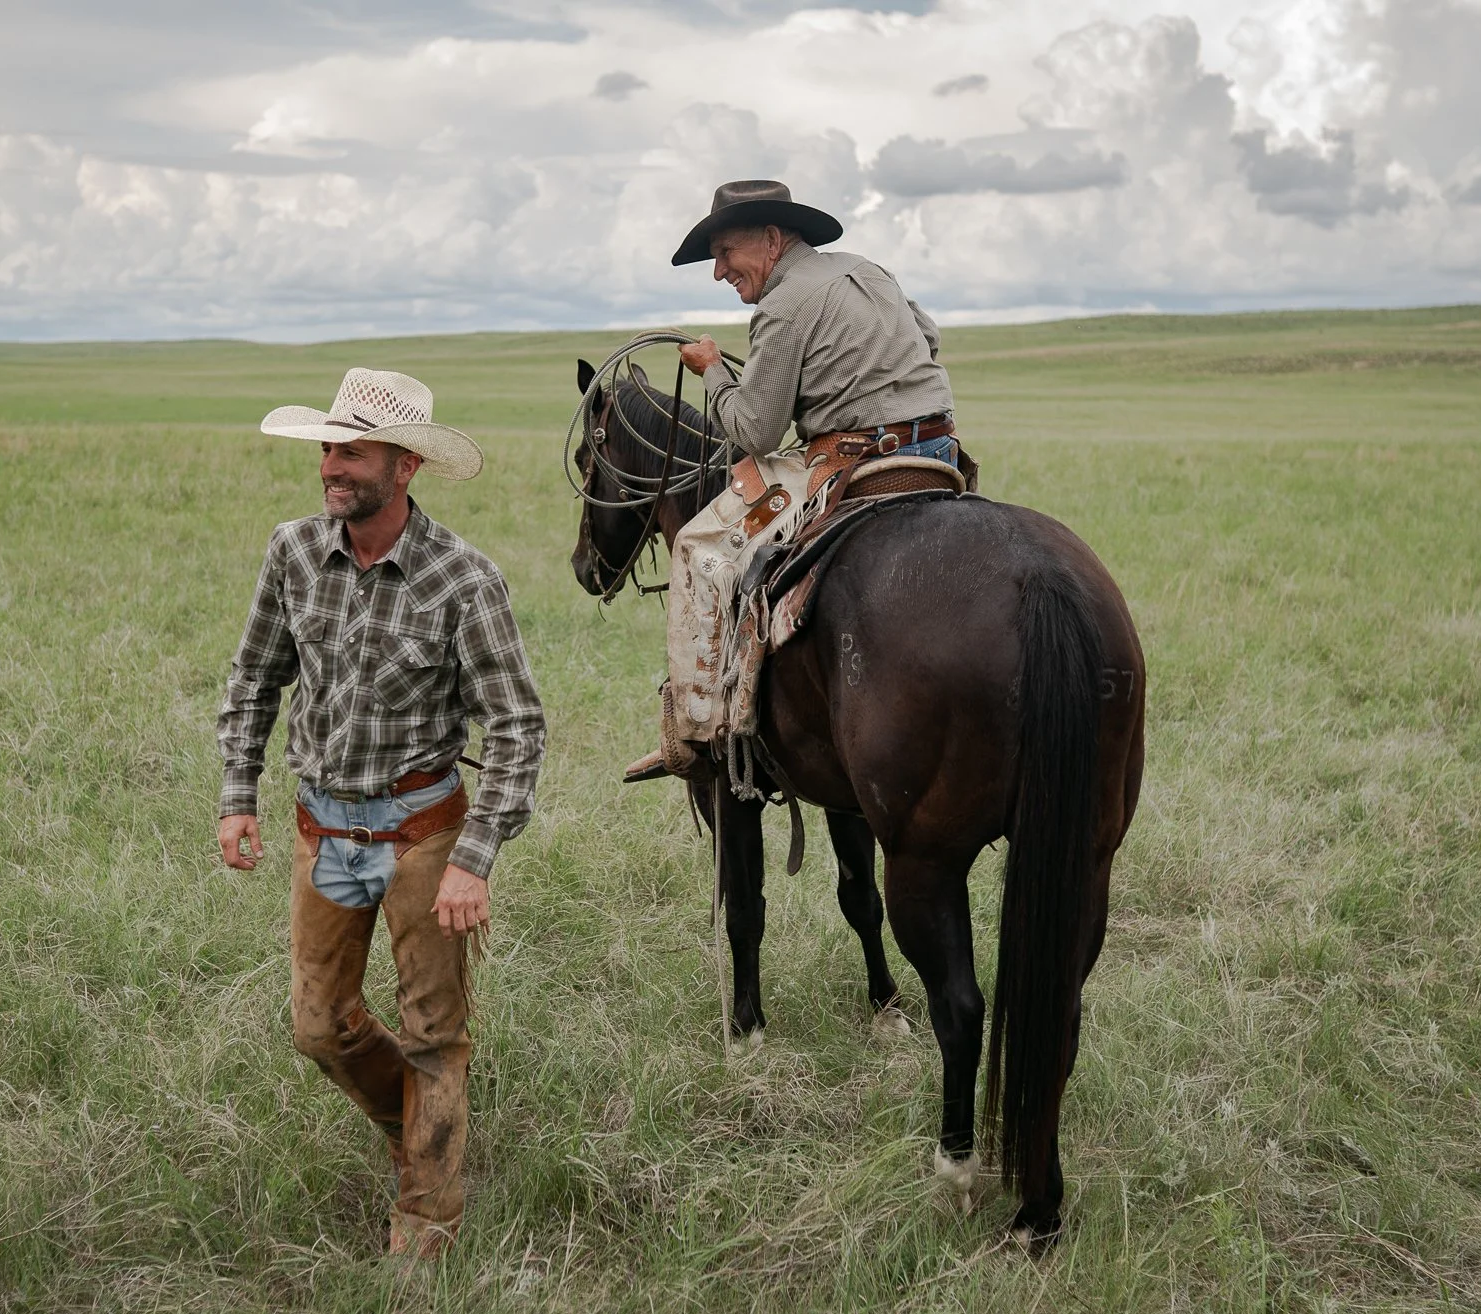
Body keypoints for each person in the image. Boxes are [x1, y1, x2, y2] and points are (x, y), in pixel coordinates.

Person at [217, 367, 546, 1258]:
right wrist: (237, 796)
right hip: (321, 828)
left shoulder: (463, 580)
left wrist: (475, 856)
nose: (332, 465)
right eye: (328, 446)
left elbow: (516, 724)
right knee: (318, 1026)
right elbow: (255, 677)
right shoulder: (292, 550)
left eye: (352, 450)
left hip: (422, 836)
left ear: (404, 466)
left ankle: (427, 1219)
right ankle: (421, 1134)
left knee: (438, 1034)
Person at [625, 180, 960, 781]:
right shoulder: (868, 269)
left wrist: (711, 373)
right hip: (938, 449)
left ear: (772, 240)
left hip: (848, 463)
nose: (720, 271)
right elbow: (928, 338)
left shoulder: (780, 306)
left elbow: (754, 430)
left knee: (699, 547)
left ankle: (697, 733)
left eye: (727, 252)